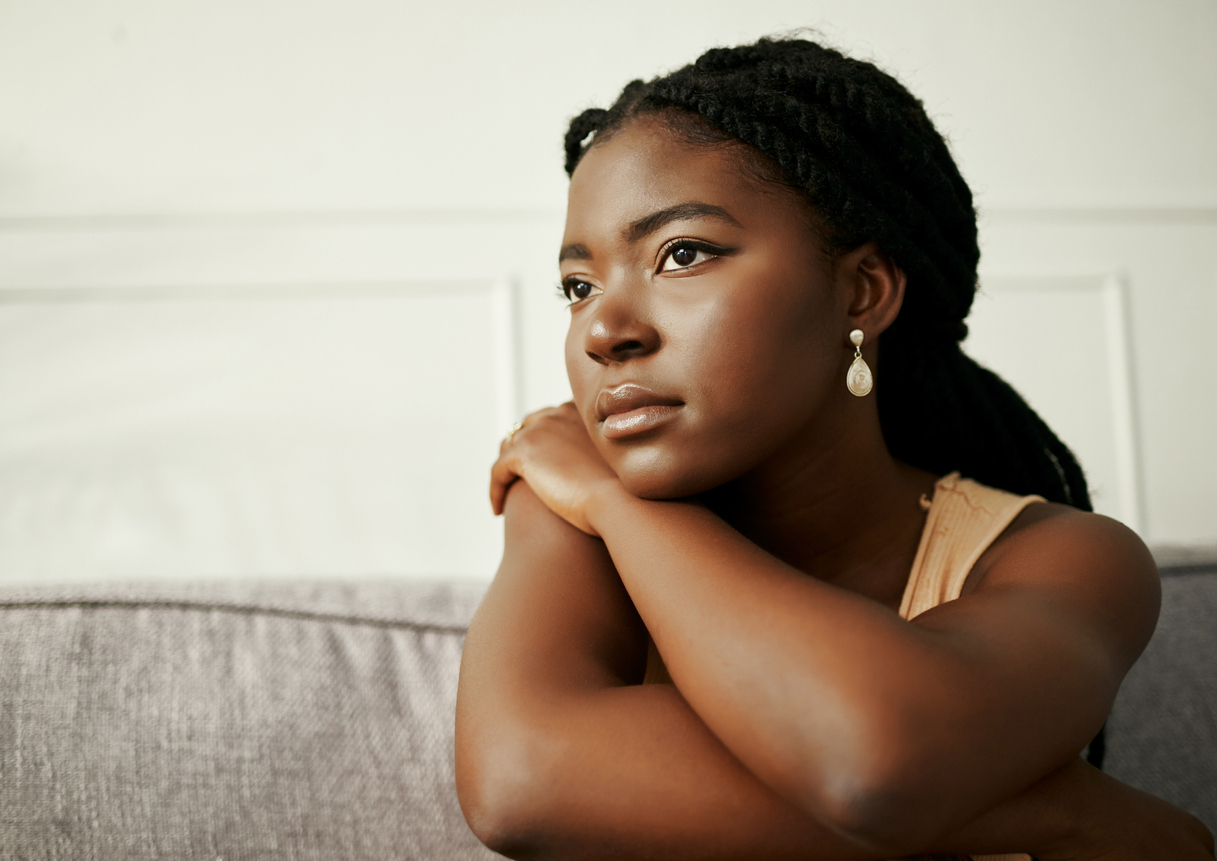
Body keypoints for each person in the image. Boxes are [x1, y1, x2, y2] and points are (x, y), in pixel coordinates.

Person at [454, 36, 1215, 860]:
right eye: (579, 285)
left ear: (861, 290)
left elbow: (875, 760)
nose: (603, 330)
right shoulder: (564, 509)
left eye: (682, 254)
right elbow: (520, 780)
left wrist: (617, 506)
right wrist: (1062, 812)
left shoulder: (1064, 558)